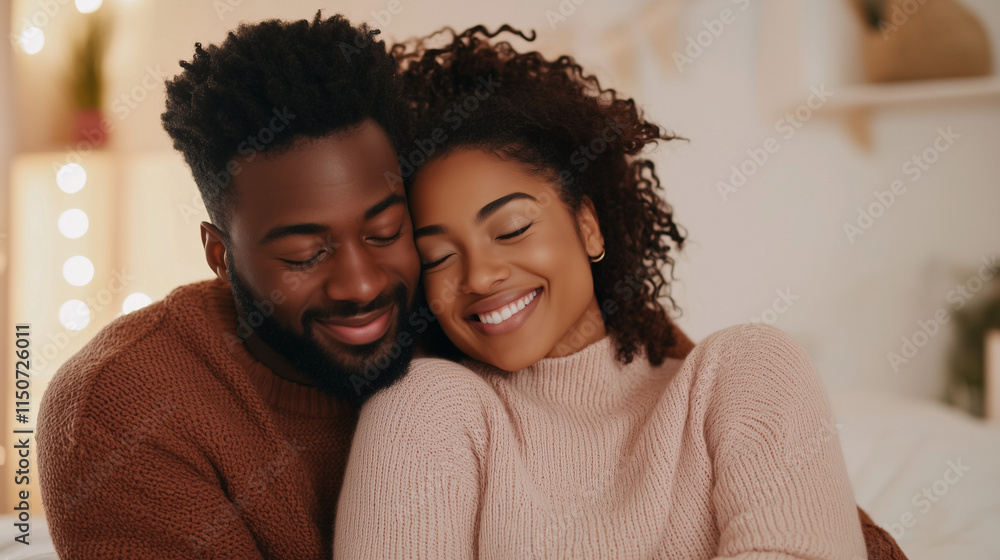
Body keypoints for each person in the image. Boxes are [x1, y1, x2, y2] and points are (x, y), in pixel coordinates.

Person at [333, 26, 870, 558]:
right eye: (438, 259)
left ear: (587, 226)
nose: (478, 277)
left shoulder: (744, 373)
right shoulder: (424, 409)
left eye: (513, 229)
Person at [37, 13, 421, 559]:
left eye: (385, 232)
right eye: (304, 255)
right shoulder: (120, 415)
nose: (361, 285)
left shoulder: (467, 320)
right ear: (221, 255)